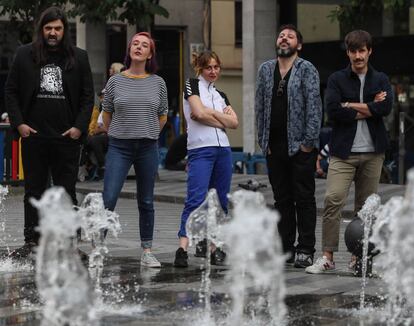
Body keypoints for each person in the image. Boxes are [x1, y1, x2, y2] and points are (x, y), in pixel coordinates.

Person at [4, 6, 94, 258]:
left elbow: (88, 97)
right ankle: (32, 241)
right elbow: (10, 92)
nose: (52, 33)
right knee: (33, 190)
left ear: (64, 30)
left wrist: (79, 127)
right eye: (48, 28)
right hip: (33, 135)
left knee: (67, 191)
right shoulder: (24, 55)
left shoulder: (79, 57)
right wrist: (19, 124)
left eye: (57, 28)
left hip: (67, 137)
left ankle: (70, 244)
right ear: (41, 30)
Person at [305, 30, 393, 274]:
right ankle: (327, 257)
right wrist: (369, 107)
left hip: (373, 152)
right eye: (353, 51)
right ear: (348, 53)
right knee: (332, 199)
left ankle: (358, 258)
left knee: (365, 209)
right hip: (343, 152)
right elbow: (333, 110)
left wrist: (351, 104)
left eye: (362, 50)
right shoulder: (336, 80)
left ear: (369, 51)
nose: (358, 55)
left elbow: (385, 108)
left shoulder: (381, 79)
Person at [255, 24, 322, 268]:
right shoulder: (265, 70)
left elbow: (314, 107)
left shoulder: (306, 69)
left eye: (290, 36)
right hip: (274, 146)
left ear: (299, 45)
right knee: (282, 199)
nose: (284, 38)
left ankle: (305, 249)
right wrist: (263, 141)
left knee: (304, 198)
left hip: (300, 146)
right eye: (281, 35)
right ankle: (285, 248)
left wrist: (308, 144)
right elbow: (260, 106)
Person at [102, 32, 168, 268]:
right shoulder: (115, 81)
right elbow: (106, 113)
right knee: (109, 197)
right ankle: (98, 248)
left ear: (150, 54)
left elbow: (162, 115)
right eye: (135, 44)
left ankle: (147, 251)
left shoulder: (158, 83)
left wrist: (148, 131)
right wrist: (117, 133)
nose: (138, 47)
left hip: (148, 146)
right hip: (120, 146)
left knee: (146, 200)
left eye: (144, 45)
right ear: (129, 50)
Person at [174, 51, 238, 268]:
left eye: (216, 67)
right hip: (200, 149)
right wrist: (222, 119)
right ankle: (182, 248)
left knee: (220, 201)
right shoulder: (191, 85)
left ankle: (214, 248)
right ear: (200, 68)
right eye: (208, 67)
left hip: (223, 150)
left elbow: (234, 123)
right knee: (196, 198)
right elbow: (198, 114)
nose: (213, 71)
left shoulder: (221, 95)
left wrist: (211, 113)